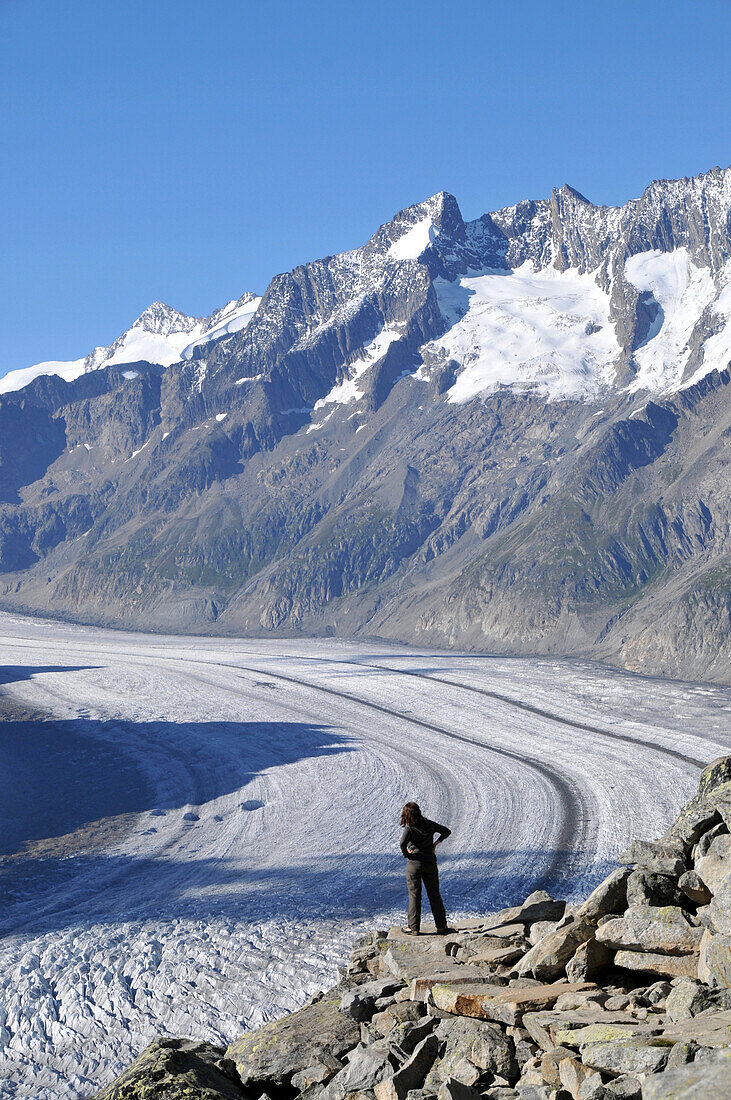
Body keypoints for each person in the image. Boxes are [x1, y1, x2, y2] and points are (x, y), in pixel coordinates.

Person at [399, 801, 452, 935]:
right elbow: (446, 831)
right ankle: (441, 926)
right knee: (434, 894)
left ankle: (414, 928)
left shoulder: (409, 828)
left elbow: (402, 843)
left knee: (414, 896)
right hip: (430, 862)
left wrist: (407, 854)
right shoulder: (429, 824)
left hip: (414, 864)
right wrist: (435, 845)